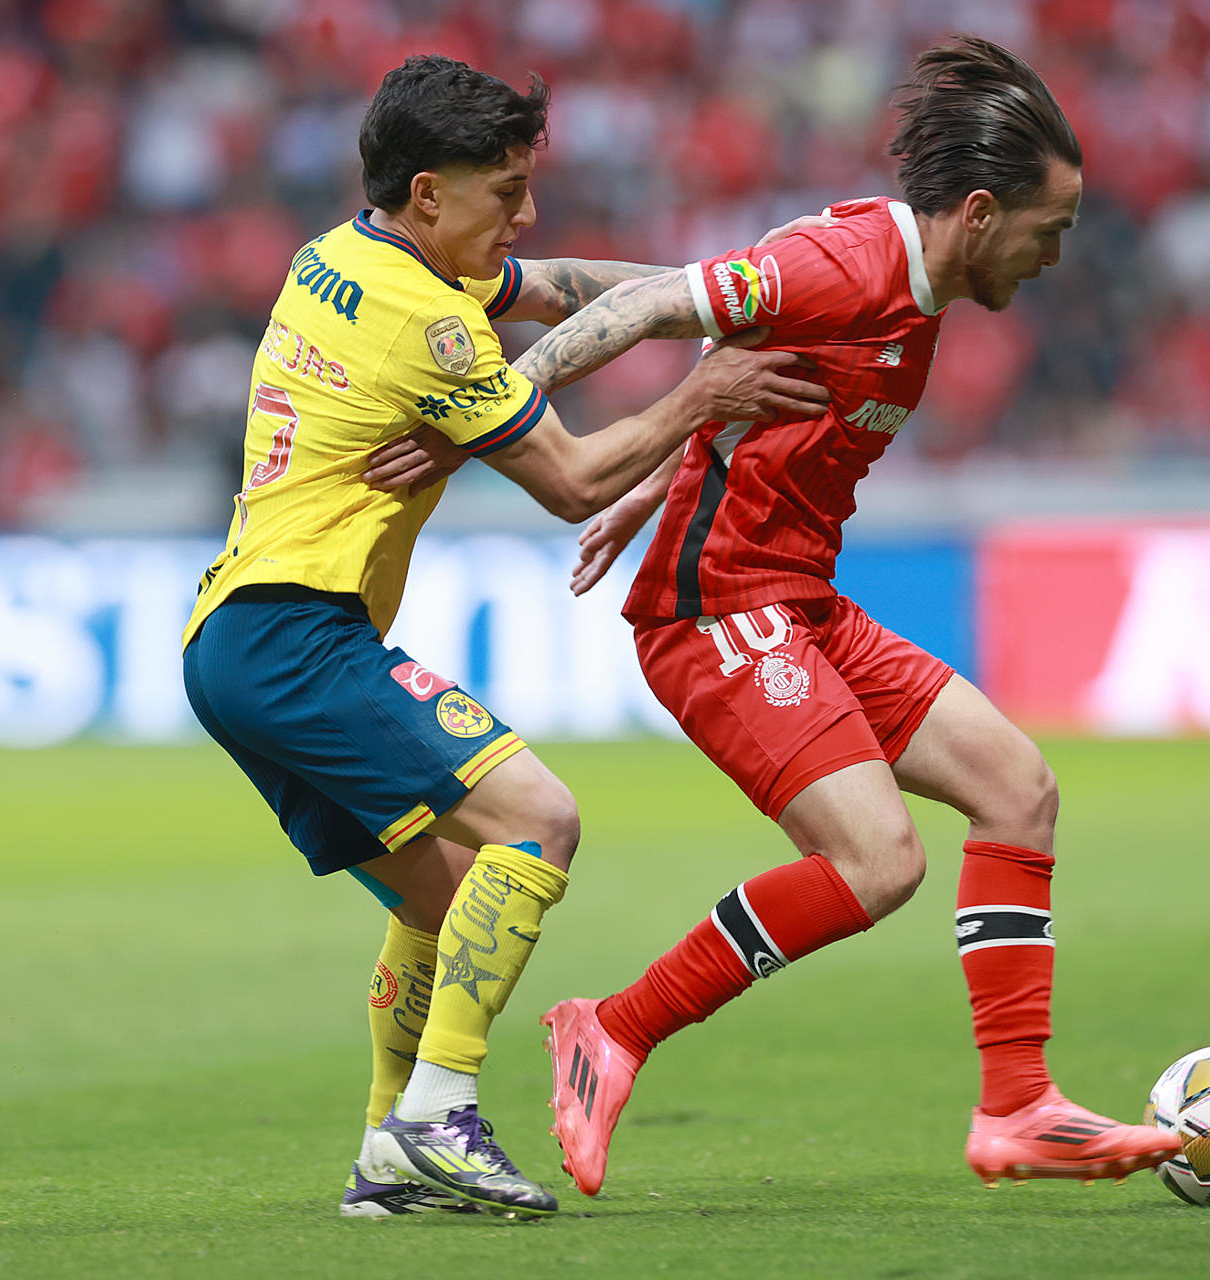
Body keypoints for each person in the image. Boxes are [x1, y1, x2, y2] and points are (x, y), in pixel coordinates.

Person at [506, 36, 1184, 1197]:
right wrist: (508, 413)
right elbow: (654, 304)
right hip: (716, 607)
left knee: (1019, 787)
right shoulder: (845, 265)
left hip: (799, 598)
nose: (1054, 254)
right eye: (1049, 229)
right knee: (878, 861)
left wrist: (651, 483)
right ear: (978, 213)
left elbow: (740, 359)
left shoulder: (914, 280)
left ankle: (1018, 1106)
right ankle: (611, 1027)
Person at [178, 54, 826, 1220]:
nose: (524, 217)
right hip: (296, 631)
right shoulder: (429, 319)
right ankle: (439, 1114)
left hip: (233, 637)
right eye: (505, 192)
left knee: (444, 896)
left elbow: (570, 288)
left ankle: (388, 1149)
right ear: (429, 193)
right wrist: (704, 392)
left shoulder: (340, 256)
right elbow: (576, 481)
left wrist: (724, 293)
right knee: (540, 818)